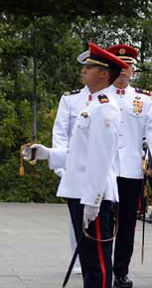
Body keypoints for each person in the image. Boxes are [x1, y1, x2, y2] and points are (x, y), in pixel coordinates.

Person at [24, 43, 128, 288]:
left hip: (93, 196)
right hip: (81, 192)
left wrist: (92, 201)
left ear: (104, 74)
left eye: (90, 67)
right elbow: (80, 153)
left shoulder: (105, 109)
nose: (83, 70)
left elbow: (100, 160)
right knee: (89, 261)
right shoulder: (93, 105)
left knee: (99, 265)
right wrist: (48, 154)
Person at [106, 44, 152, 288]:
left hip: (131, 170)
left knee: (127, 224)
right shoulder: (99, 95)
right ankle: (100, 267)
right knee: (103, 221)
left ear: (133, 70)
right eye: (118, 67)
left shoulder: (143, 99)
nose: (122, 71)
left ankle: (120, 271)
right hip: (105, 170)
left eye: (127, 67)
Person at [51, 79, 90, 275]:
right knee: (76, 216)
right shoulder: (70, 100)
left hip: (104, 169)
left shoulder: (111, 99)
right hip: (74, 167)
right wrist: (61, 166)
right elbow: (60, 133)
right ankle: (80, 260)